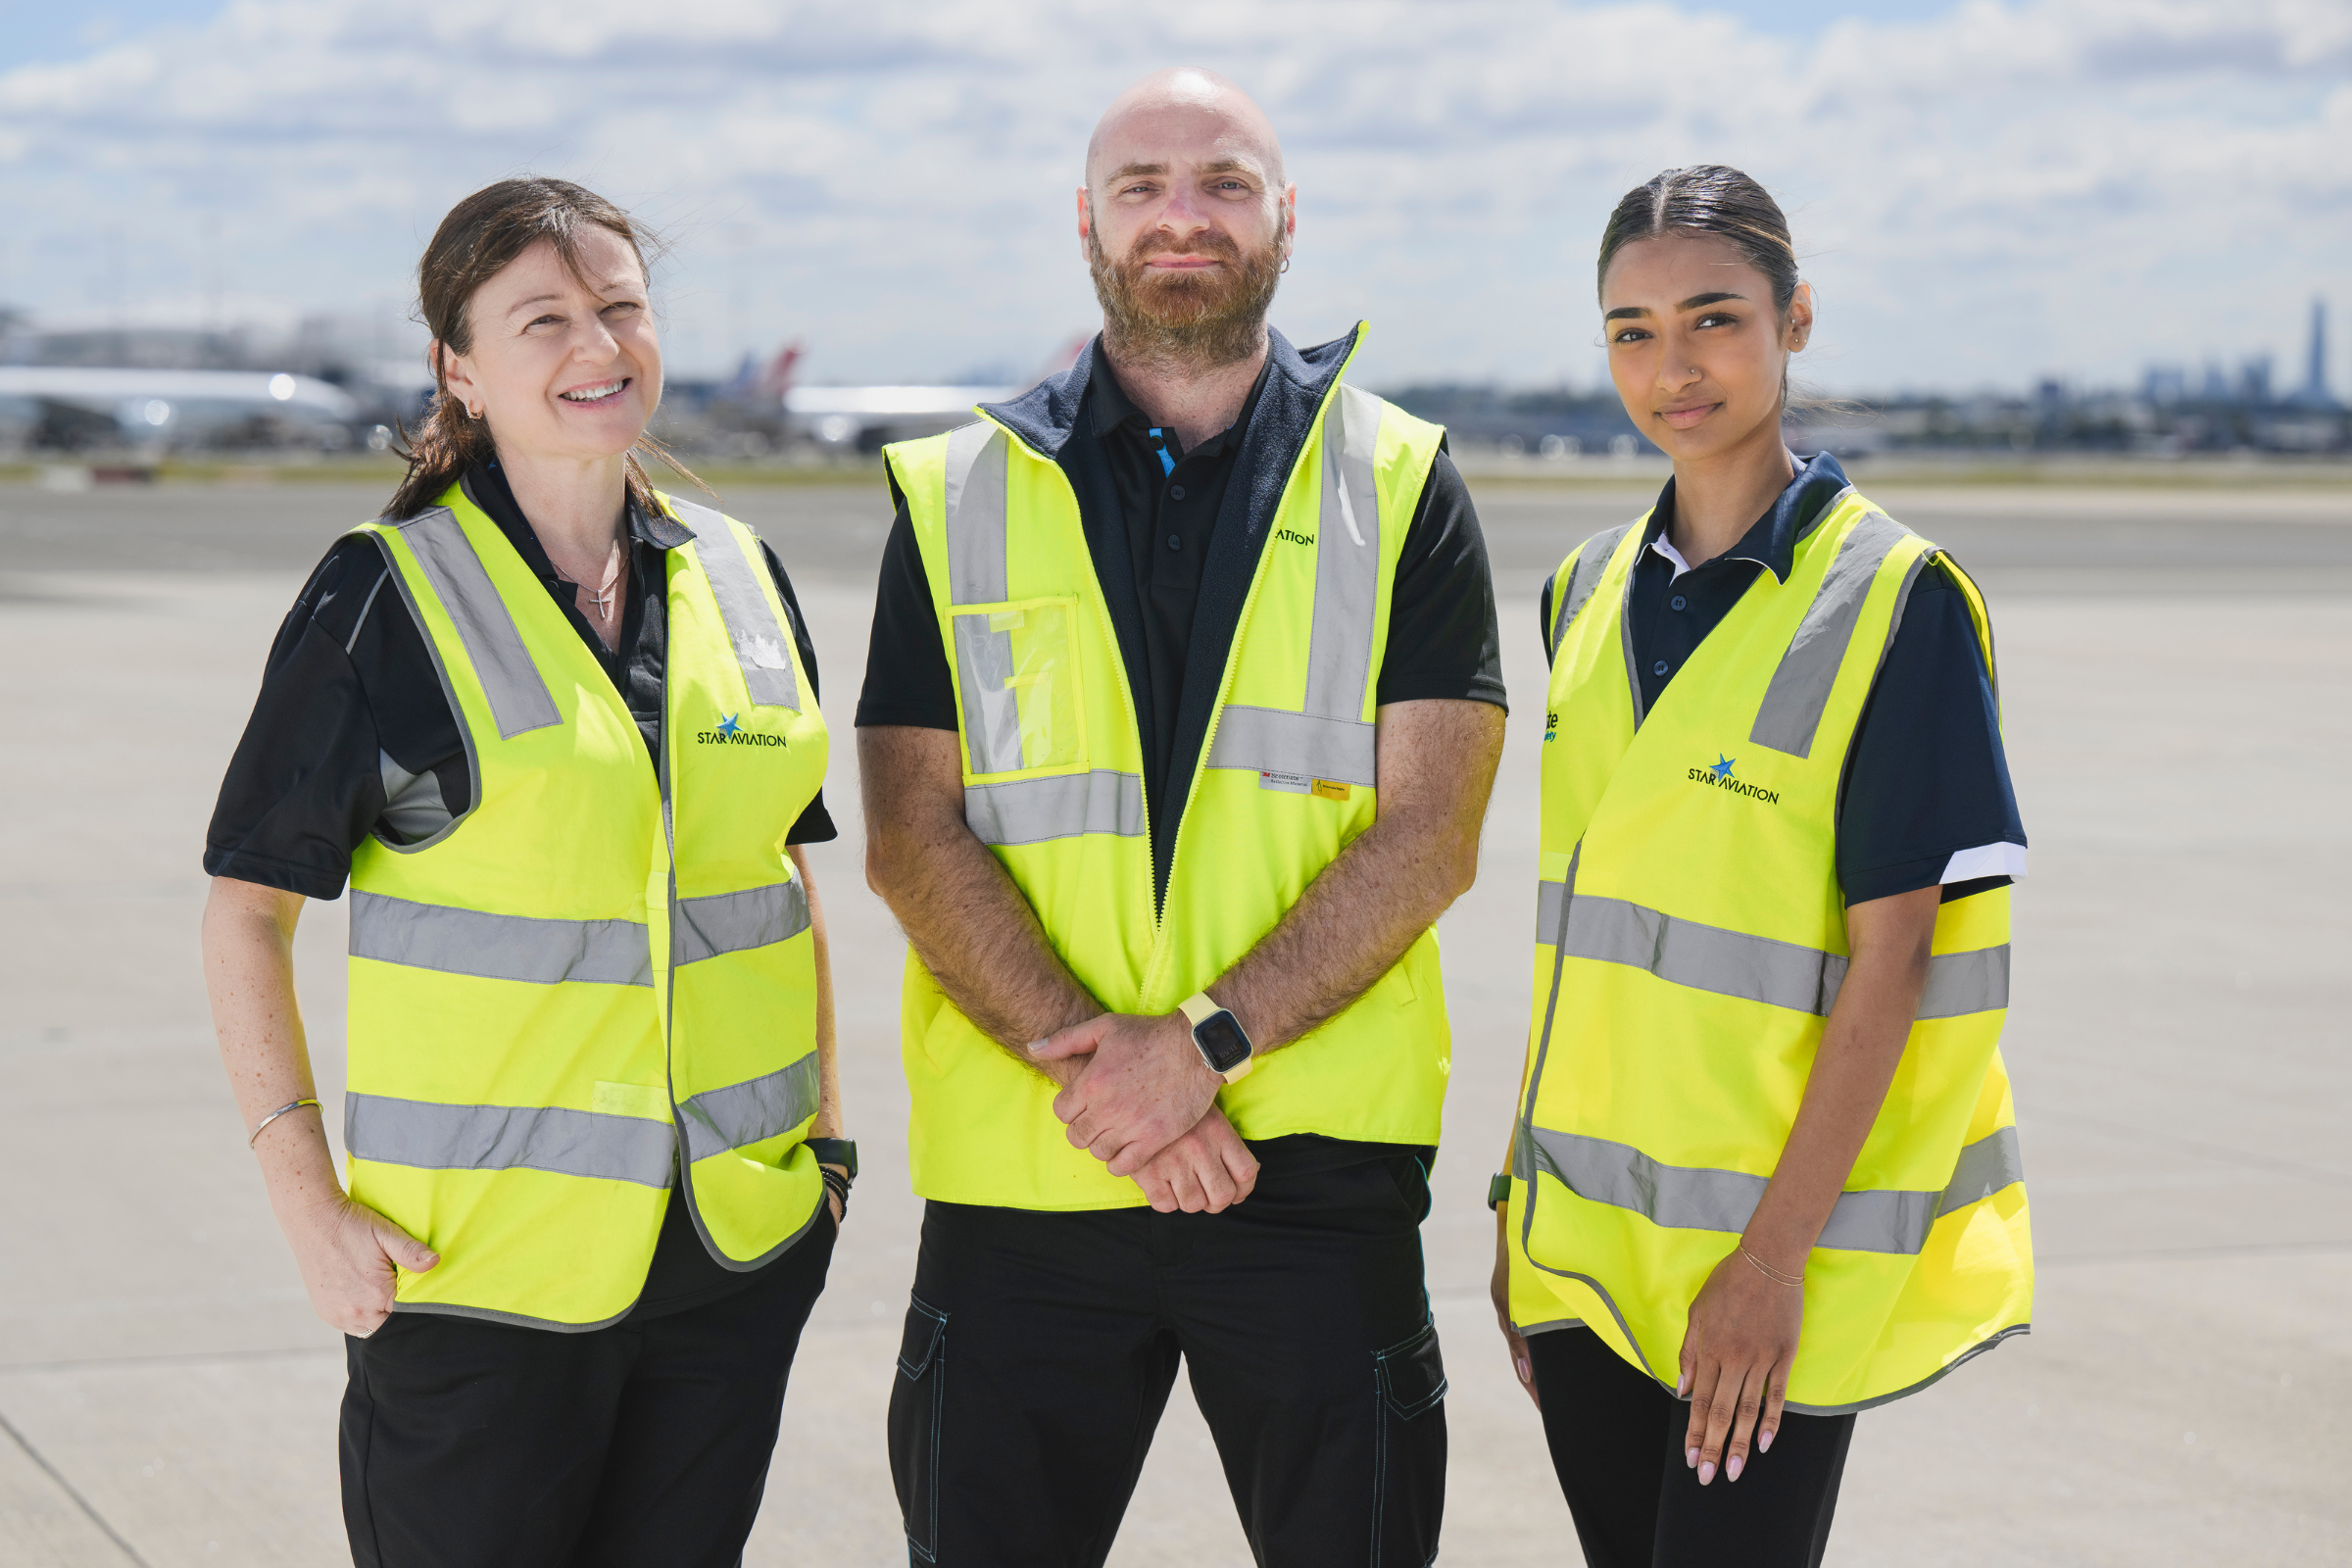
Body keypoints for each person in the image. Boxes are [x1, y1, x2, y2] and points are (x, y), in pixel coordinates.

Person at [857, 67, 1506, 1568]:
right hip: (1034, 1166)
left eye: (1223, 182)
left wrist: (1198, 1050)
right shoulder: (955, 493)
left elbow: (1433, 830)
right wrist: (1114, 1085)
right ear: (1086, 221)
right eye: (1142, 187)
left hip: (1306, 1169)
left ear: (1287, 217)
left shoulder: (1401, 483)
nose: (1182, 217)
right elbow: (909, 833)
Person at [200, 177, 854, 1568]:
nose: (596, 344)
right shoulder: (386, 594)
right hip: (481, 1278)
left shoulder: (743, 576)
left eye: (620, 306)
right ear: (460, 368)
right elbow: (247, 915)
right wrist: (308, 1209)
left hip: (733, 1253)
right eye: (543, 319)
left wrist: (829, 1153)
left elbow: (780, 881)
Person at [1488, 164, 2034, 1567]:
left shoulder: (1896, 603)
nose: (1672, 368)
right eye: (1632, 331)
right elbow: (1583, 942)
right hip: (1583, 1251)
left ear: (1795, 321)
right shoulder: (1582, 593)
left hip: (1764, 1265)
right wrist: (1515, 1204)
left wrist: (1770, 1264)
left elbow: (1896, 965)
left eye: (1714, 319)